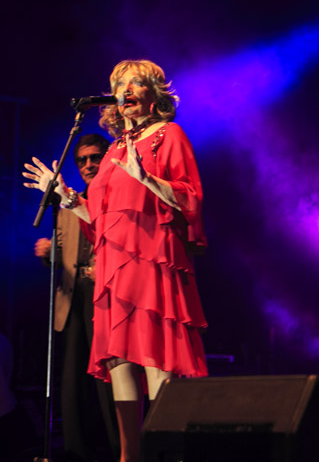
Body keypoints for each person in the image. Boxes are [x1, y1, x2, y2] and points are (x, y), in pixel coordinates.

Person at [24, 59, 208, 462]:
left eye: (137, 82)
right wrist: (66, 198)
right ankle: (130, 456)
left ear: (155, 94)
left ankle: (163, 454)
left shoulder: (169, 135)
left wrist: (147, 179)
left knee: (158, 358)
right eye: (120, 84)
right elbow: (101, 218)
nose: (126, 89)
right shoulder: (114, 151)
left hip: (152, 261)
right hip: (114, 268)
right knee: (120, 363)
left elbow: (190, 199)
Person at [33, 133, 118, 462]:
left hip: (105, 295)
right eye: (82, 160)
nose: (88, 165)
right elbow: (62, 248)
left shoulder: (113, 197)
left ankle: (120, 449)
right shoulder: (69, 203)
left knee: (110, 377)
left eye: (94, 157)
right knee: (71, 381)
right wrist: (48, 253)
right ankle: (75, 453)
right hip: (73, 296)